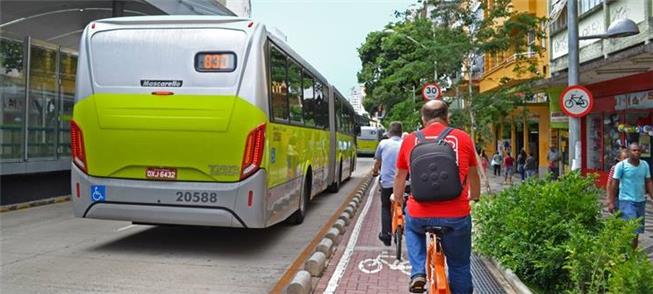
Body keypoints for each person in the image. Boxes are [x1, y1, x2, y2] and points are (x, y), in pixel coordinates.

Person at [393, 100, 480, 293]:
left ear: (423, 119)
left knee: (412, 228)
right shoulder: (462, 137)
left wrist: (397, 199)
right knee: (459, 266)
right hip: (456, 215)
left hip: (420, 213)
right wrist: (475, 195)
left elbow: (400, 175)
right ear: (447, 117)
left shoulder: (410, 140)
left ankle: (417, 273)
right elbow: (473, 174)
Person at [608, 143, 653, 250]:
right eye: (634, 150)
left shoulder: (645, 165)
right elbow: (614, 184)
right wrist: (611, 201)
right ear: (629, 152)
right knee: (631, 229)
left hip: (641, 201)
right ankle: (622, 252)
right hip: (626, 201)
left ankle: (631, 254)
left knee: (637, 231)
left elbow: (648, 181)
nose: (636, 152)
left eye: (638, 150)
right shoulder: (621, 166)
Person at [372, 121, 403, 246]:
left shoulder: (383, 143)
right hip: (404, 183)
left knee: (385, 206)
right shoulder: (406, 143)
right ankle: (402, 227)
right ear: (401, 133)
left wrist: (375, 172)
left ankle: (386, 235)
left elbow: (377, 162)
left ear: (389, 133)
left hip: (387, 183)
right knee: (405, 205)